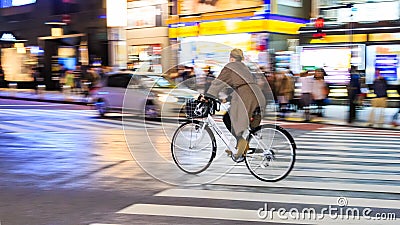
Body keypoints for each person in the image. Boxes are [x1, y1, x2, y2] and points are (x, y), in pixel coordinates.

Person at [205, 48, 266, 160]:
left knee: (227, 118)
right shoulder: (243, 67)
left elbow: (218, 83)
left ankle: (241, 142)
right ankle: (241, 147)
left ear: (231, 57)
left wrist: (208, 96)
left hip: (246, 98)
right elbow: (241, 83)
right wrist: (228, 97)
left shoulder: (231, 66)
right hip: (257, 96)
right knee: (238, 121)